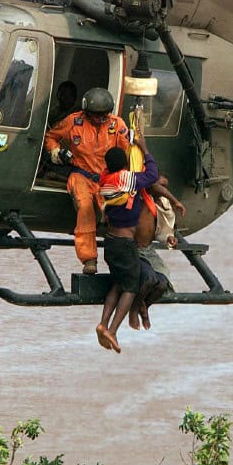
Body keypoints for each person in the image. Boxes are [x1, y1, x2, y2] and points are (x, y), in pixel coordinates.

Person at [44, 87, 130, 274]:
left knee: (115, 213)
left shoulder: (118, 125)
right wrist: (56, 152)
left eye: (103, 115)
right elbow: (51, 137)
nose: (100, 118)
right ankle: (89, 259)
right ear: (86, 112)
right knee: (85, 208)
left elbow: (129, 151)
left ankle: (123, 258)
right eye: (95, 114)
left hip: (106, 178)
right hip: (81, 174)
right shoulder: (73, 121)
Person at [95, 135, 158, 353]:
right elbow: (151, 175)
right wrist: (144, 148)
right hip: (124, 244)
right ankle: (112, 331)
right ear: (124, 166)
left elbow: (110, 172)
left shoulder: (105, 183)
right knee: (130, 288)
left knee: (118, 284)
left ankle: (103, 324)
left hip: (110, 243)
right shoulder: (126, 179)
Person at [128, 176, 186, 331]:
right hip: (131, 250)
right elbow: (153, 186)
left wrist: (169, 238)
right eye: (161, 186)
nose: (163, 190)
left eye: (165, 187)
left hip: (147, 250)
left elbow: (162, 231)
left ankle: (144, 306)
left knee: (162, 283)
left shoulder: (159, 205)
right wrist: (174, 200)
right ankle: (134, 309)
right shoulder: (134, 194)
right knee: (148, 279)